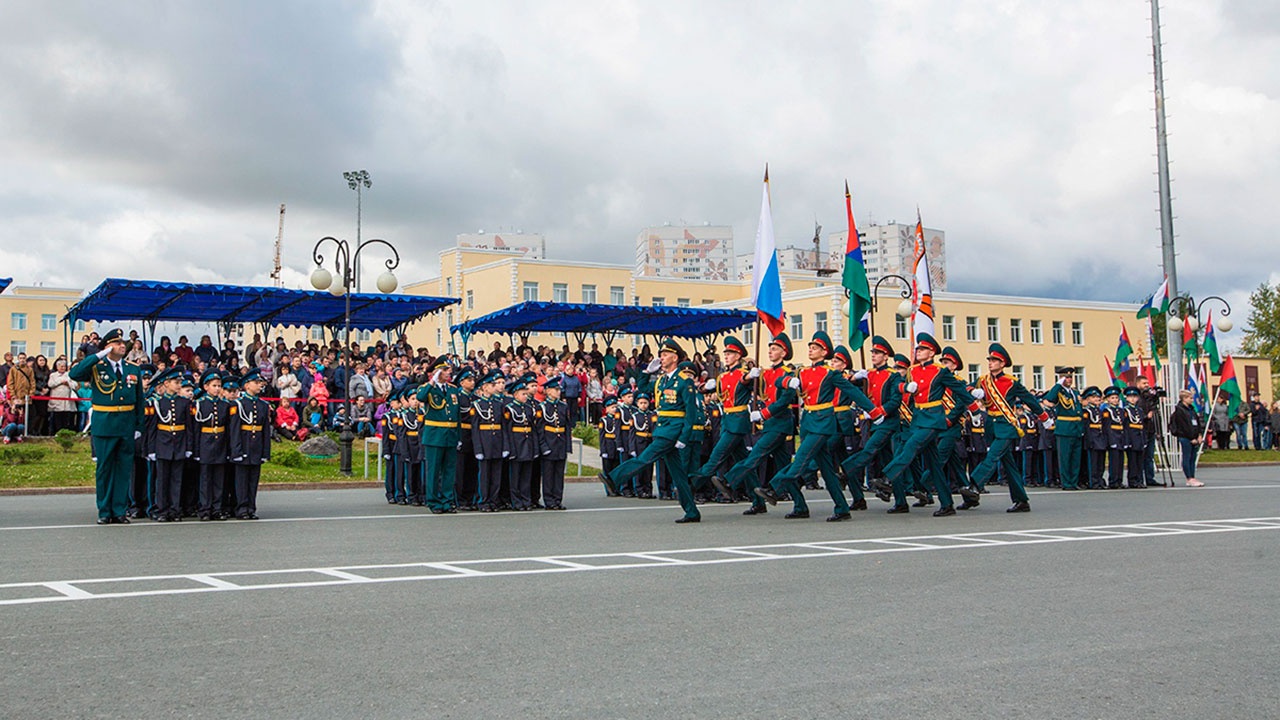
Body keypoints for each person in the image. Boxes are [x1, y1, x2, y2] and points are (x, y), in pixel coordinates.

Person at [755, 332, 875, 521]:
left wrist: (874, 411)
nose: (810, 349)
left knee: (802, 458)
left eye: (815, 348)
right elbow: (778, 380)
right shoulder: (801, 372)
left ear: (824, 352)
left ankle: (775, 487)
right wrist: (788, 381)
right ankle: (842, 508)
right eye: (810, 347)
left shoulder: (830, 373)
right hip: (808, 421)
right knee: (827, 471)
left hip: (823, 422)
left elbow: (853, 392)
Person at [867, 333, 974, 516]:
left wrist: (975, 408)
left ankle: (888, 478)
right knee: (933, 464)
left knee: (911, 445)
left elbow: (960, 391)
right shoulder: (913, 371)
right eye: (918, 349)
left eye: (922, 349)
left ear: (931, 353)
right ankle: (947, 504)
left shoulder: (940, 371)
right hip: (917, 417)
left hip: (933, 418)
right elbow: (903, 389)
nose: (918, 351)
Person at [597, 338, 702, 523]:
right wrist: (646, 372)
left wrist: (684, 437)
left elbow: (691, 413)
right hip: (662, 428)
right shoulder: (661, 380)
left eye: (665, 354)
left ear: (675, 357)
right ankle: (692, 511)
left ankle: (614, 478)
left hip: (673, 430)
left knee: (645, 458)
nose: (661, 358)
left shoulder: (684, 381)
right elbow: (642, 389)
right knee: (678, 475)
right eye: (660, 354)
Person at [68, 328, 145, 524]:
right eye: (117, 342)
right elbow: (75, 373)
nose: (122, 345)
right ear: (108, 346)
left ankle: (119, 510)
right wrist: (98, 355)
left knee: (123, 469)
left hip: (126, 425)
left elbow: (139, 400)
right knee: (104, 469)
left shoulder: (132, 369)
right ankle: (104, 510)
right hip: (105, 425)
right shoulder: (97, 366)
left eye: (122, 343)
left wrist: (138, 426)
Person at [719, 333, 799, 517]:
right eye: (770, 349)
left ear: (784, 352)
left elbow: (783, 401)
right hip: (770, 424)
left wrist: (762, 414)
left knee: (755, 455)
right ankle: (800, 505)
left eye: (775, 349)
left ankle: (730, 481)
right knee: (783, 466)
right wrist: (749, 373)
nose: (771, 352)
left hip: (780, 423)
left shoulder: (788, 373)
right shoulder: (767, 373)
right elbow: (749, 386)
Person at [967, 343, 1052, 513]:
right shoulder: (983, 380)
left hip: (1007, 425)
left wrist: (1044, 417)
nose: (990, 363)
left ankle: (975, 485)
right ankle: (1021, 500)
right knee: (1009, 465)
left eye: (994, 360)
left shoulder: (1011, 382)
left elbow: (1029, 399)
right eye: (990, 360)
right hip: (992, 425)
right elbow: (966, 387)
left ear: (1002, 363)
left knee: (992, 456)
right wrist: (974, 392)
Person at [692, 336, 753, 504]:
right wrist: (705, 387)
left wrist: (751, 375)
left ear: (738, 356)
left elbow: (746, 382)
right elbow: (705, 391)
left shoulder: (743, 374)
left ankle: (691, 485)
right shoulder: (723, 376)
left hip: (738, 421)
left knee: (716, 456)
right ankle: (757, 501)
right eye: (725, 352)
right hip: (727, 420)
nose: (726, 355)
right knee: (743, 461)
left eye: (730, 353)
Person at [147, 368, 191, 522]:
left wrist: (188, 447)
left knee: (176, 479)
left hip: (179, 444)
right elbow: (152, 428)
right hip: (162, 444)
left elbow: (188, 427)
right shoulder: (158, 402)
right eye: (176, 382)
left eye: (180, 382)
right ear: (166, 383)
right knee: (162, 480)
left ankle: (175, 509)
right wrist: (151, 449)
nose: (179, 385)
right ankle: (162, 510)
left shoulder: (185, 402)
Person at [229, 368, 271, 519]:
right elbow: (234, 431)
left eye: (260, 382)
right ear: (246, 385)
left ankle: (251, 508)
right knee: (241, 481)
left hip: (256, 447)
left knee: (253, 480)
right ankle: (241, 508)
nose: (260, 385)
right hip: (243, 445)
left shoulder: (263, 405)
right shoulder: (238, 405)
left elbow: (265, 430)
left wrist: (265, 452)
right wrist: (236, 451)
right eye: (256, 382)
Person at [420, 358, 461, 513]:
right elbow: (420, 398)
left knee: (449, 471)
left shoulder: (452, 389)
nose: (448, 372)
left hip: (450, 435)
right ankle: (434, 501)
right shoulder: (427, 388)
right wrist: (432, 382)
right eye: (444, 370)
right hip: (434, 436)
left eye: (448, 369)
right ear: (436, 372)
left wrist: (458, 437)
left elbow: (456, 414)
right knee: (434, 470)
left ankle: (447, 501)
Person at [193, 370, 231, 521]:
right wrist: (196, 450)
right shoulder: (200, 404)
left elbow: (228, 428)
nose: (217, 389)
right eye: (214, 385)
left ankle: (217, 508)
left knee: (218, 479)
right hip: (205, 443)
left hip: (220, 443)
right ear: (206, 387)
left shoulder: (224, 405)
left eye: (219, 386)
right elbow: (196, 430)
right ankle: (205, 508)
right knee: (206, 479)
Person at [1042, 366, 1084, 490]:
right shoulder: (1058, 392)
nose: (1069, 379)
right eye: (1066, 377)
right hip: (1065, 429)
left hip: (1076, 428)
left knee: (1075, 458)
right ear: (1060, 378)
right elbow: (1049, 399)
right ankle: (1066, 482)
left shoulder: (1075, 393)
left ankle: (1073, 482)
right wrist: (1058, 385)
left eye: (1071, 377)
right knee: (1065, 457)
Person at [538, 376, 570, 510]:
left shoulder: (563, 406)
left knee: (558, 474)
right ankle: (549, 500)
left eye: (559, 389)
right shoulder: (543, 407)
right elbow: (540, 429)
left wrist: (567, 446)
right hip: (549, 443)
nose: (558, 392)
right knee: (548, 474)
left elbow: (567, 428)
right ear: (548, 391)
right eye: (556, 390)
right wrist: (543, 446)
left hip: (560, 444)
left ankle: (558, 499)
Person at [1168, 389, 1204, 486]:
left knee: (1193, 457)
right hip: (1186, 437)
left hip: (1194, 437)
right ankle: (1189, 477)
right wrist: (1191, 438)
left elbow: (1197, 423)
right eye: (1190, 398)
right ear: (1184, 399)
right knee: (1187, 457)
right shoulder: (1180, 411)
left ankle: (1193, 476)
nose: (1192, 400)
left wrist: (1199, 435)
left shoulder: (1191, 410)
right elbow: (1184, 426)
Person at [47, 358, 81, 434]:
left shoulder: (69, 374)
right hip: (56, 401)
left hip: (67, 402)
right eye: (61, 366)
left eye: (64, 366)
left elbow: (75, 385)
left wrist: (68, 384)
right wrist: (60, 381)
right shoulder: (53, 375)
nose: (63, 368)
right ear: (57, 367)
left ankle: (66, 433)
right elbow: (50, 384)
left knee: (66, 419)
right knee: (57, 419)